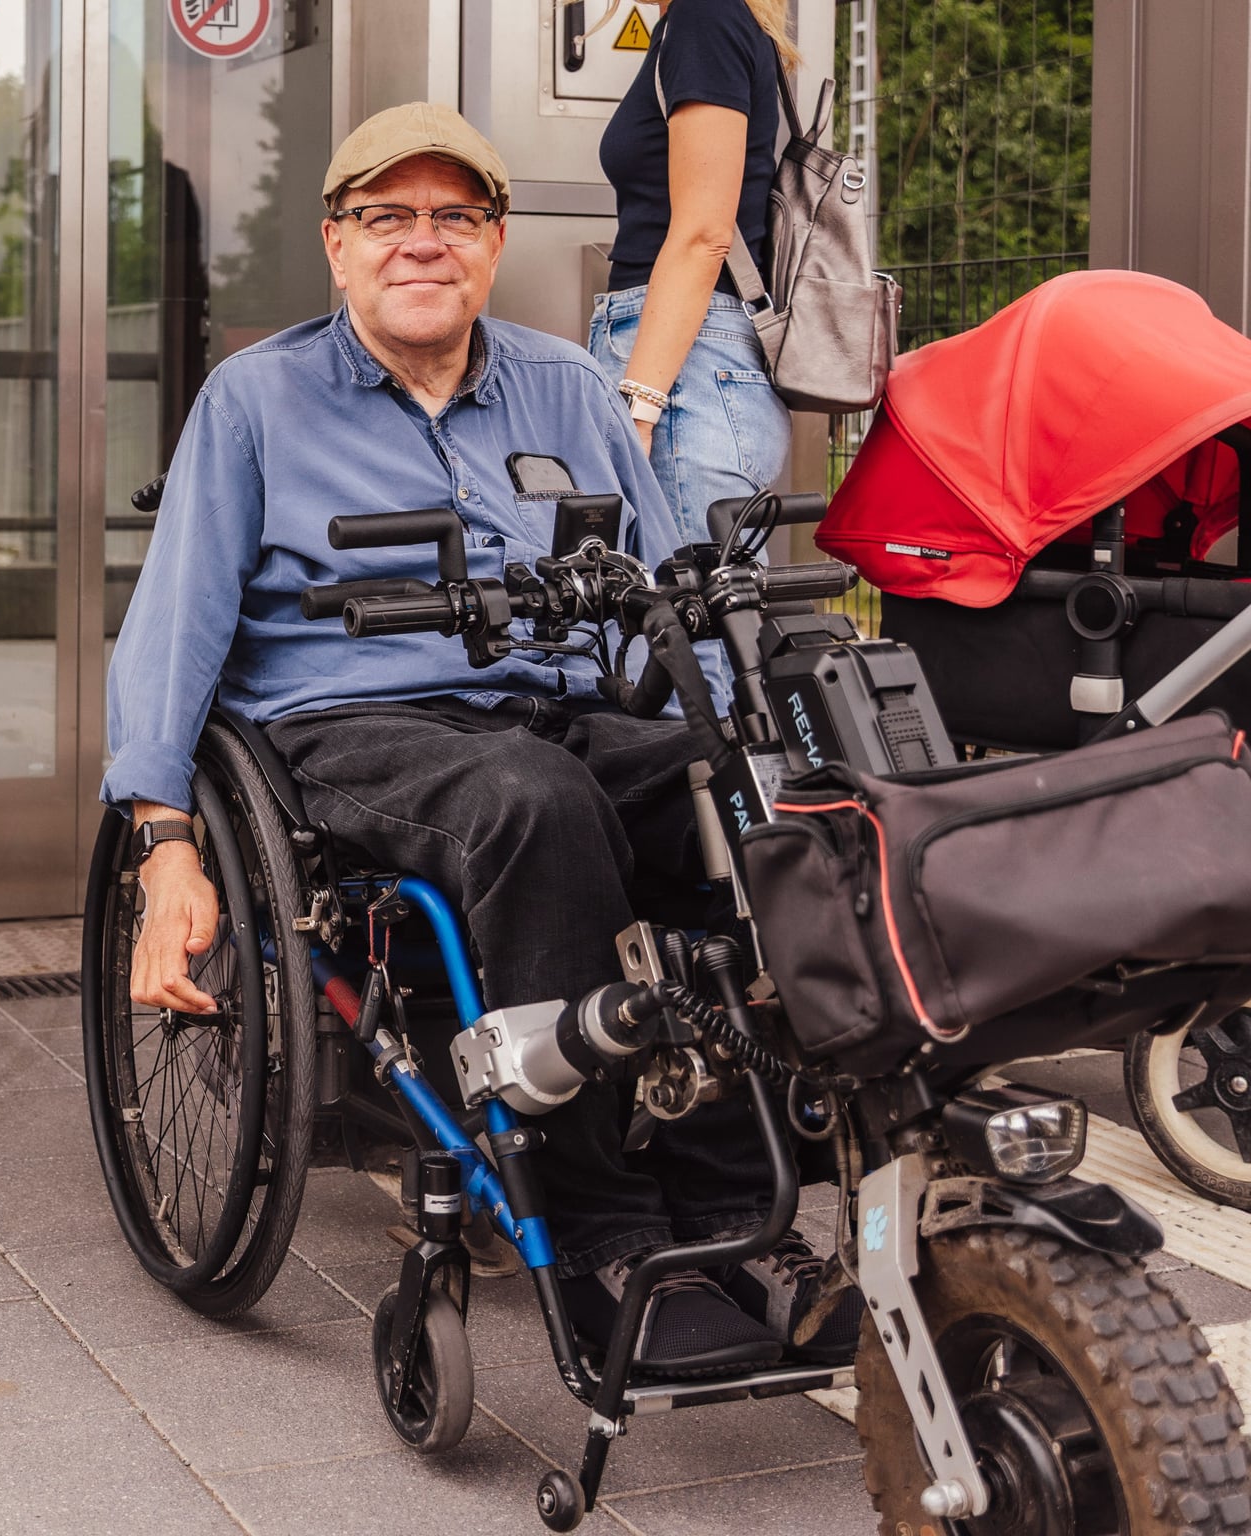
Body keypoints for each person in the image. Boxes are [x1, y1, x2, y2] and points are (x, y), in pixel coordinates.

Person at [102, 102, 854, 1376]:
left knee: (726, 792)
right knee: (534, 802)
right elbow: (172, 632)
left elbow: (661, 587)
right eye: (386, 216)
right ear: (336, 247)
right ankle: (604, 1230)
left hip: (551, 705)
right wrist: (163, 841)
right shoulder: (257, 402)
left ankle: (738, 1216)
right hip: (350, 725)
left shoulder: (563, 386)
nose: (421, 243)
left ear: (494, 244)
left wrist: (726, 743)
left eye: (454, 216)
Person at [590, 0, 795, 699]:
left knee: (690, 652)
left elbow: (706, 230)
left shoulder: (705, 18)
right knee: (701, 637)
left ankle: (714, 810)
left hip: (685, 369)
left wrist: (640, 404)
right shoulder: (708, 21)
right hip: (695, 359)